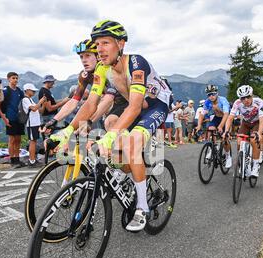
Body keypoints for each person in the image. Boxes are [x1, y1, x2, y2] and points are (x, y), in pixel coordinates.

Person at [50, 20, 172, 231]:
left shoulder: (136, 63)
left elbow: (134, 107)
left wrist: (109, 137)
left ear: (121, 44)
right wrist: (68, 129)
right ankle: (128, 171)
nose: (100, 49)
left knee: (131, 142)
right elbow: (90, 103)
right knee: (111, 125)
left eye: (105, 43)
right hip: (135, 106)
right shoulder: (102, 69)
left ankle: (142, 208)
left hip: (155, 106)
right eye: (97, 44)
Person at [224, 85, 263, 177]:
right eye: (243, 98)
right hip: (246, 123)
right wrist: (226, 131)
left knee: (253, 140)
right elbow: (230, 118)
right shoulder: (237, 103)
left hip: (257, 122)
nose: (246, 100)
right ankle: (243, 162)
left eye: (248, 97)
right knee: (239, 142)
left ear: (252, 96)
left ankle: (256, 165)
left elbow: (262, 120)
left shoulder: (259, 102)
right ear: (240, 98)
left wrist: (259, 133)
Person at [196, 84, 231, 167]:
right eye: (209, 95)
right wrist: (199, 125)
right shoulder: (207, 102)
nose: (211, 96)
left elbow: (226, 114)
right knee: (210, 129)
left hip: (225, 119)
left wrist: (221, 126)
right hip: (216, 118)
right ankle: (213, 147)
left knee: (224, 137)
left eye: (213, 94)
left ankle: (228, 156)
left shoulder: (223, 100)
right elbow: (202, 114)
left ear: (217, 93)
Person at [22, 83, 46, 167]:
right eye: (32, 91)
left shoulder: (30, 99)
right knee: (32, 142)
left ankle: (33, 159)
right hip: (31, 124)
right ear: (27, 90)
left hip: (35, 124)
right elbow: (34, 108)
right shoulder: (25, 99)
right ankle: (32, 161)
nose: (34, 92)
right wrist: (40, 102)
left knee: (34, 141)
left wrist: (43, 104)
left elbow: (38, 110)